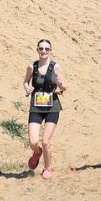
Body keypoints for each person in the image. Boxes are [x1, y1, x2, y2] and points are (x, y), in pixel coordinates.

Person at [22, 39, 67, 180]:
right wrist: (27, 88)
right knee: (33, 142)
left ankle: (47, 168)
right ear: (37, 50)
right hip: (36, 106)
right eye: (41, 49)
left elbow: (64, 86)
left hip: (52, 107)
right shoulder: (32, 67)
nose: (44, 51)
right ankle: (37, 152)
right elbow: (25, 81)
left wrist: (61, 84)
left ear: (50, 51)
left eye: (47, 49)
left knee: (46, 141)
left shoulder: (55, 67)